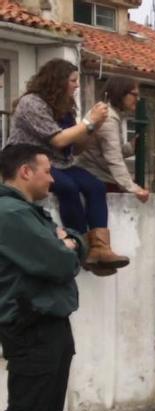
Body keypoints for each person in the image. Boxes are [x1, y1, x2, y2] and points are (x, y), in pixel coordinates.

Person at [0, 144, 88, 411]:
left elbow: (75, 244)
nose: (53, 178)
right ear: (25, 171)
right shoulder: (10, 214)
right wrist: (66, 247)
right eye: (47, 170)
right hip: (31, 326)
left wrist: (70, 244)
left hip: (50, 324)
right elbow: (60, 263)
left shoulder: (28, 211)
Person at [7, 59, 129, 275]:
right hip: (28, 159)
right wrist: (88, 123)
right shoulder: (32, 103)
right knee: (67, 187)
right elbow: (58, 140)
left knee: (95, 186)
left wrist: (92, 128)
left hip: (59, 162)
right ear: (58, 81)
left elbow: (76, 147)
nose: (77, 85)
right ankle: (82, 246)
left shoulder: (65, 107)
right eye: (73, 81)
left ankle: (100, 248)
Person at [75, 75, 149, 202]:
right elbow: (113, 158)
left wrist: (132, 146)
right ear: (120, 93)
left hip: (97, 174)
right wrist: (133, 188)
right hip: (97, 176)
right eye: (134, 94)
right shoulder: (108, 117)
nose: (137, 99)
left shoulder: (109, 113)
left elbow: (111, 150)